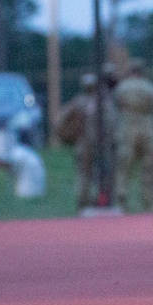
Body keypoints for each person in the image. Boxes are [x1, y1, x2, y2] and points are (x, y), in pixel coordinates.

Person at [113, 63, 153, 211]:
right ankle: (148, 200)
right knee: (148, 165)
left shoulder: (122, 87)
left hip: (127, 125)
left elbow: (117, 103)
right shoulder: (149, 87)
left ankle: (122, 198)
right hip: (147, 126)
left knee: (124, 165)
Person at [56, 73, 101, 211]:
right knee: (97, 173)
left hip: (82, 142)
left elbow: (59, 119)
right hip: (98, 143)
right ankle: (96, 199)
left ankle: (83, 201)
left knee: (83, 173)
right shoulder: (101, 101)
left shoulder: (78, 102)